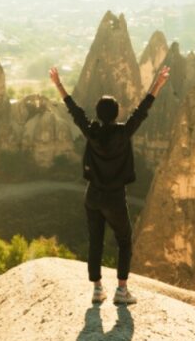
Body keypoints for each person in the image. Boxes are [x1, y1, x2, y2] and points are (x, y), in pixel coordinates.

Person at [50, 64, 171, 305]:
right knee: (125, 241)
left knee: (96, 240)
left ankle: (97, 289)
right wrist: (157, 85)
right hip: (114, 198)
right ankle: (122, 290)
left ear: (98, 113)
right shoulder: (124, 133)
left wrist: (58, 84)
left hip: (93, 196)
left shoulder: (91, 131)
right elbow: (141, 112)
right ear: (116, 114)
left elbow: (75, 111)